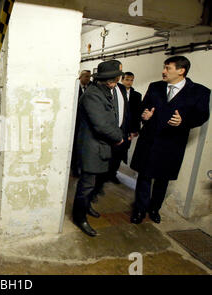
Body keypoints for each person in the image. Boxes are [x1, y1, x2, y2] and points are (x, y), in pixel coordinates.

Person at [130, 56, 210, 224]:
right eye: (164, 67)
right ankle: (139, 209)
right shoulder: (155, 87)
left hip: (172, 143)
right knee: (143, 177)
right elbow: (144, 107)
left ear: (181, 71)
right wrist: (145, 115)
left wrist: (184, 122)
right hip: (149, 141)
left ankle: (154, 209)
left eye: (168, 68)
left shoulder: (200, 91)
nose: (163, 71)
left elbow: (202, 115)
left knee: (162, 179)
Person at [72, 61, 124, 237]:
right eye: (115, 79)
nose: (116, 83)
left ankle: (86, 208)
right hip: (91, 148)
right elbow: (101, 125)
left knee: (93, 183)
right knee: (86, 185)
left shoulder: (103, 92)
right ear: (109, 81)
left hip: (100, 147)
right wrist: (118, 138)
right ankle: (80, 218)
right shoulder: (93, 95)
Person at [90, 62, 132, 202]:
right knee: (95, 170)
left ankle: (99, 187)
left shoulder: (121, 89)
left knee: (111, 166)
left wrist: (127, 131)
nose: (120, 76)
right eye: (118, 73)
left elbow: (125, 112)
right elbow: (100, 121)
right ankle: (92, 194)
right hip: (104, 137)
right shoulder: (96, 92)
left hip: (118, 135)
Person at [71, 70, 92, 177]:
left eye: (89, 77)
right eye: (87, 77)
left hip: (85, 123)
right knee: (74, 145)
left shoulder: (90, 88)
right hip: (74, 122)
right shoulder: (74, 88)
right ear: (81, 77)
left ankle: (79, 166)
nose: (88, 79)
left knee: (81, 146)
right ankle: (74, 167)